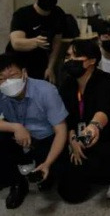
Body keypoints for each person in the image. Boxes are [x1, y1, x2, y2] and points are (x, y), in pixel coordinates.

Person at [58, 40, 110, 202]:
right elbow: (68, 118)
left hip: (107, 138)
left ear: (92, 60)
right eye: (68, 56)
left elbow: (104, 111)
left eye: (77, 56)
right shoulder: (67, 85)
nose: (70, 60)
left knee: (105, 160)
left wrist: (94, 128)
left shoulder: (107, 82)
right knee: (70, 194)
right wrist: (73, 140)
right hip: (78, 138)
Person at [0, 53, 68, 209]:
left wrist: (48, 163)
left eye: (12, 75)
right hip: (17, 135)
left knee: (68, 186)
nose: (7, 82)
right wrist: (15, 127)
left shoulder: (46, 91)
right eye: (1, 78)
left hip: (45, 138)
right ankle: (17, 183)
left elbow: (61, 130)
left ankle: (44, 167)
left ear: (24, 73)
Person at [6, 0, 65, 83]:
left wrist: (50, 67)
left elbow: (57, 42)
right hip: (17, 65)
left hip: (41, 64)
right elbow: (16, 43)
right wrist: (36, 42)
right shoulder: (22, 14)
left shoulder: (58, 14)